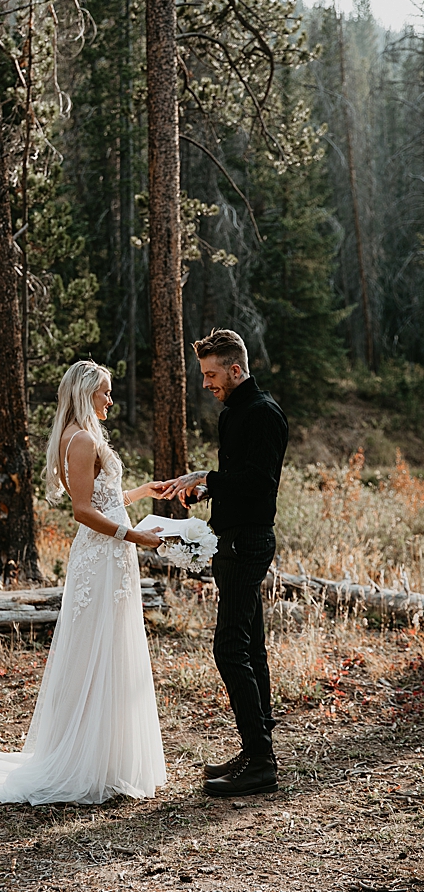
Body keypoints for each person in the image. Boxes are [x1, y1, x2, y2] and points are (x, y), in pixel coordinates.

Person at [0, 360, 172, 805]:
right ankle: (88, 759)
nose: (110, 399)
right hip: (104, 556)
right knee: (97, 648)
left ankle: (106, 755)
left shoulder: (81, 436)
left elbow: (103, 499)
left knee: (108, 646)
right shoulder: (82, 439)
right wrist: (136, 535)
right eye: (104, 392)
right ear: (86, 394)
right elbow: (83, 512)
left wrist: (144, 493)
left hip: (108, 555)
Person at [165, 328, 288, 797]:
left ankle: (261, 762)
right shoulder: (237, 413)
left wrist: (210, 477)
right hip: (233, 539)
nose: (206, 383)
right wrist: (207, 486)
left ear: (236, 370)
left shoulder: (261, 414)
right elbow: (239, 478)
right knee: (251, 648)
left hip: (246, 544)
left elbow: (259, 484)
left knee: (230, 649)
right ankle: (257, 752)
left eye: (212, 374)